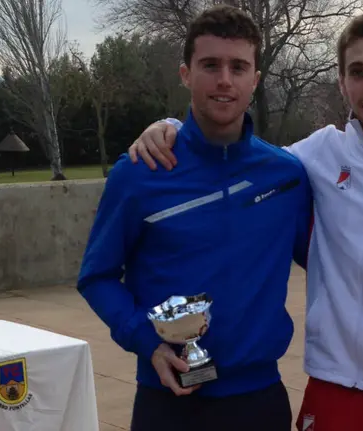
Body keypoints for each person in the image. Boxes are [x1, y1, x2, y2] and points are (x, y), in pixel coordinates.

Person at [127, 10, 363, 431]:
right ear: (342, 82)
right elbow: (245, 157)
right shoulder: (319, 154)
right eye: (358, 72)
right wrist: (173, 127)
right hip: (335, 385)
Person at [76, 5, 312, 431]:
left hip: (259, 401)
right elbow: (96, 276)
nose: (224, 79)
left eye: (238, 67)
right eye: (210, 65)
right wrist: (147, 343)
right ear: (186, 74)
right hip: (168, 402)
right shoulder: (140, 173)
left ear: (255, 80)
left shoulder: (287, 176)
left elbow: (327, 259)